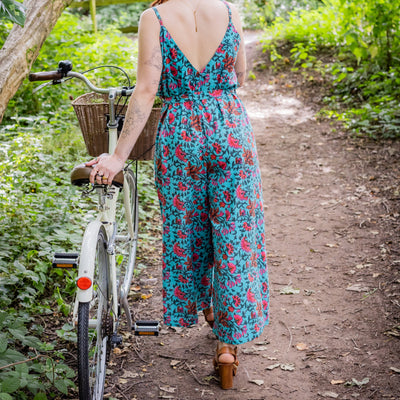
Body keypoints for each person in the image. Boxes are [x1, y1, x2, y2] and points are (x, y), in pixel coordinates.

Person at [86, 0, 269, 390]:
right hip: (230, 128)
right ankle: (227, 343)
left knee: (189, 229)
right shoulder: (232, 11)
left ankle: (203, 305)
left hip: (181, 136)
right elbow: (241, 74)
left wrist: (118, 157)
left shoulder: (153, 18)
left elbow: (146, 90)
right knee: (234, 235)